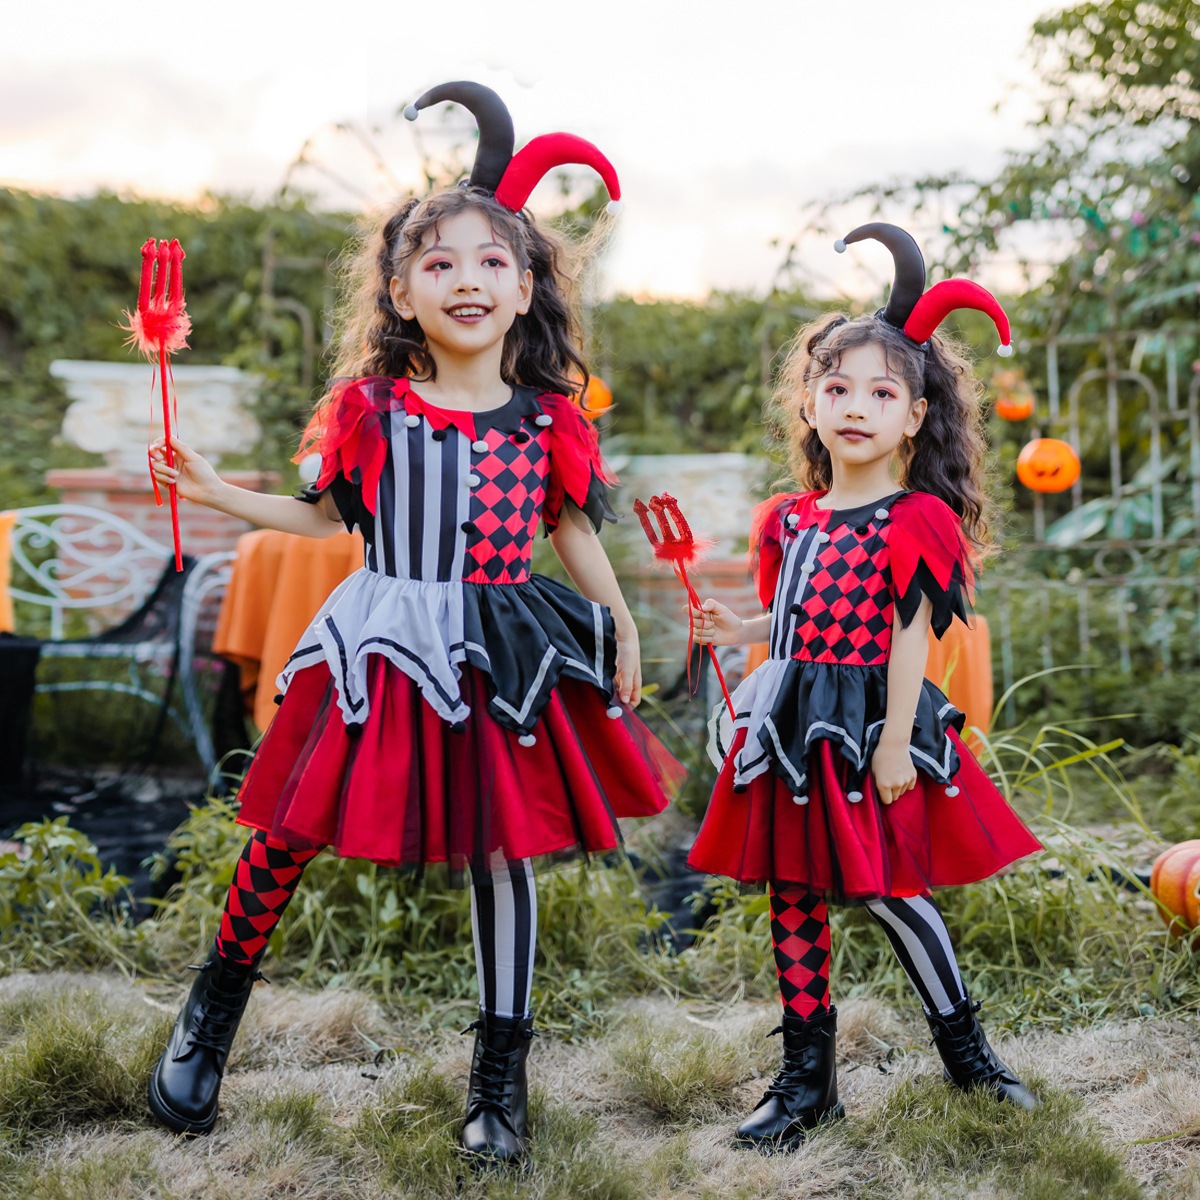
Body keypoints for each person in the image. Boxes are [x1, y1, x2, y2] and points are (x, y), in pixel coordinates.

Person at [145, 82, 681, 1163]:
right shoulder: (369, 410)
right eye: (440, 262)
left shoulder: (549, 421)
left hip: (504, 648)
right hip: (385, 636)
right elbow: (316, 515)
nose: (468, 279)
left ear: (527, 288)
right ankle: (211, 1016)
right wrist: (212, 493)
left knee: (503, 851)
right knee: (288, 828)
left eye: (492, 262)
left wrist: (618, 618)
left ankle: (499, 1076)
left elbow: (573, 528)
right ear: (400, 289)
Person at [688, 224, 1042, 1152]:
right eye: (836, 388)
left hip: (870, 721)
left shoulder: (916, 518)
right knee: (793, 889)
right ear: (809, 402)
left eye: (881, 393)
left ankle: (968, 1055)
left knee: (891, 889)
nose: (855, 406)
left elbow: (908, 634)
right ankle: (807, 1080)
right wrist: (744, 631)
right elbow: (800, 617)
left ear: (915, 417)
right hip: (796, 717)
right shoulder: (791, 517)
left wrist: (892, 741)